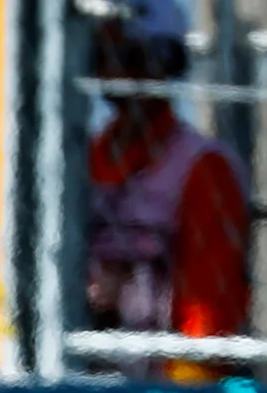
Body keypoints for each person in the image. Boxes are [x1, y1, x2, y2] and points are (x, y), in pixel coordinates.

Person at [87, 0, 252, 368]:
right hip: (82, 368)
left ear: (165, 60)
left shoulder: (203, 166)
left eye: (126, 54)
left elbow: (208, 319)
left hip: (162, 384)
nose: (111, 68)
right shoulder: (77, 162)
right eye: (101, 54)